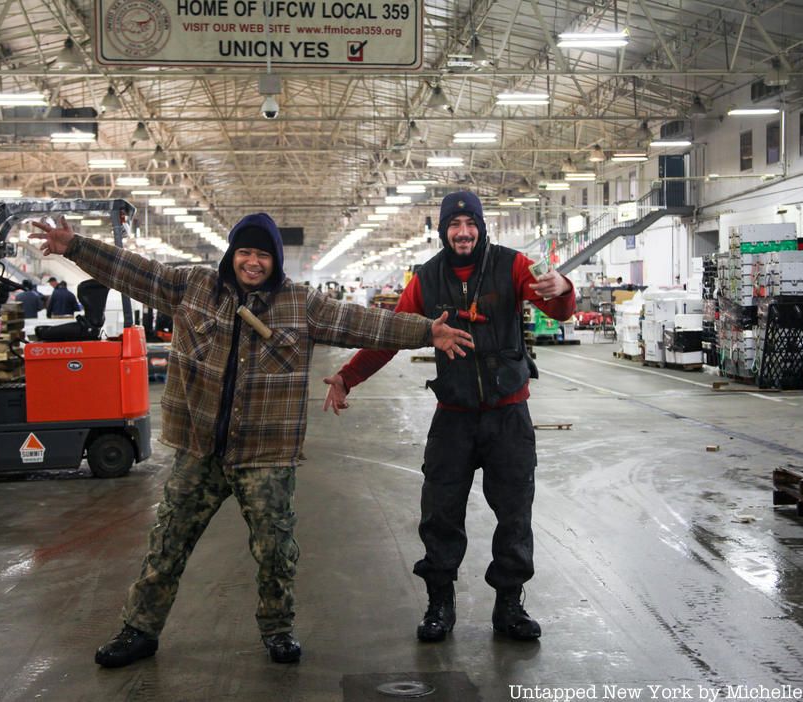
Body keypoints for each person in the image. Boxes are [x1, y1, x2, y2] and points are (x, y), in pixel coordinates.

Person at [29, 212, 473, 669]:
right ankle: (139, 629)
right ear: (232, 254)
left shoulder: (300, 304)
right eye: (245, 251)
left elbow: (362, 323)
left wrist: (424, 331)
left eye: (263, 254)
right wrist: (77, 246)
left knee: (275, 550)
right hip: (200, 450)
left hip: (265, 454)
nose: (253, 262)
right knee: (166, 545)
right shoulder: (193, 287)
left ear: (275, 261)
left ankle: (278, 630)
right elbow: (136, 271)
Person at [322, 191, 576, 644]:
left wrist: (564, 291)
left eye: (470, 224)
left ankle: (509, 605)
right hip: (453, 416)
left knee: (515, 512)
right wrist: (347, 376)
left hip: (508, 415)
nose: (463, 232)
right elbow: (392, 336)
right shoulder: (426, 278)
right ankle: (440, 604)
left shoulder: (512, 266)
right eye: (454, 225)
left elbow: (557, 307)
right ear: (443, 230)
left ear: (481, 227)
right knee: (439, 514)